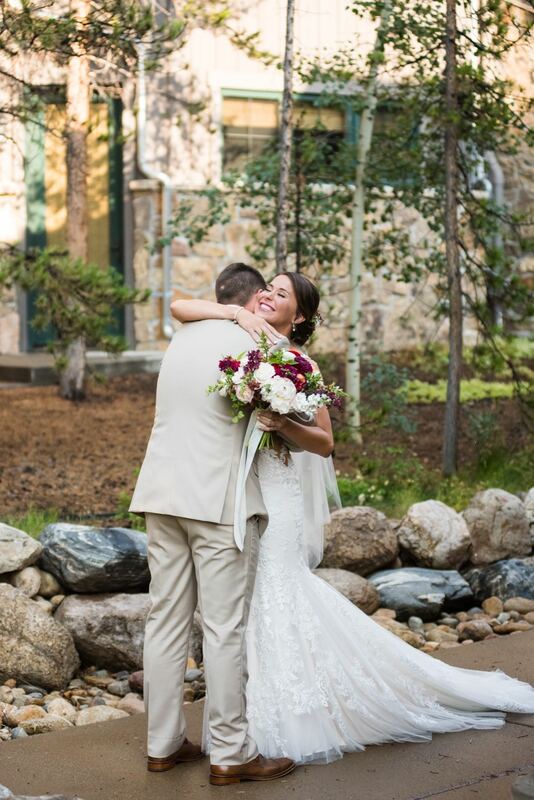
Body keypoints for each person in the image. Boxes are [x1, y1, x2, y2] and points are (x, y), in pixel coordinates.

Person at [171, 270, 534, 766]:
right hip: (239, 495)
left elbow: (324, 442)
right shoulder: (243, 341)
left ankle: (281, 720)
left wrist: (281, 423)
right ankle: (240, 723)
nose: (269, 296)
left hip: (277, 498)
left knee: (272, 594)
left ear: (298, 315)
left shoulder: (299, 362)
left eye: (281, 294)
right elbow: (181, 308)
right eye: (268, 289)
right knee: (245, 603)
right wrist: (235, 313)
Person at [130, 262, 295, 786]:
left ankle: (163, 745)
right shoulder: (260, 347)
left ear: (223, 296)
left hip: (161, 493)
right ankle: (230, 752)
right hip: (218, 502)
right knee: (225, 630)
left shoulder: (182, 338)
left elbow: (182, 307)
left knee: (165, 622)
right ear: (254, 304)